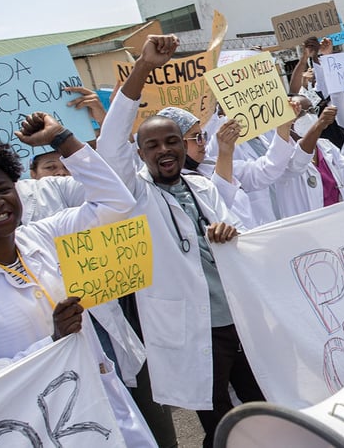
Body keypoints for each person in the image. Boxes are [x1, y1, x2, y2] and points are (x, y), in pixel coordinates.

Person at [96, 35, 263, 448]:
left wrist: (228, 231)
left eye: (172, 140)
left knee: (262, 405)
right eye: (152, 145)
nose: (164, 150)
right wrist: (143, 67)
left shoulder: (201, 186)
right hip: (193, 329)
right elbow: (110, 144)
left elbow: (235, 230)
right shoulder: (135, 194)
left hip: (235, 318)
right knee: (218, 421)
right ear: (140, 154)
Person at [0, 113, 156, 447]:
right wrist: (53, 343)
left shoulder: (43, 236)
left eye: (3, 189)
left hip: (103, 405)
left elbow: (117, 203)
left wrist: (62, 138)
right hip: (36, 431)